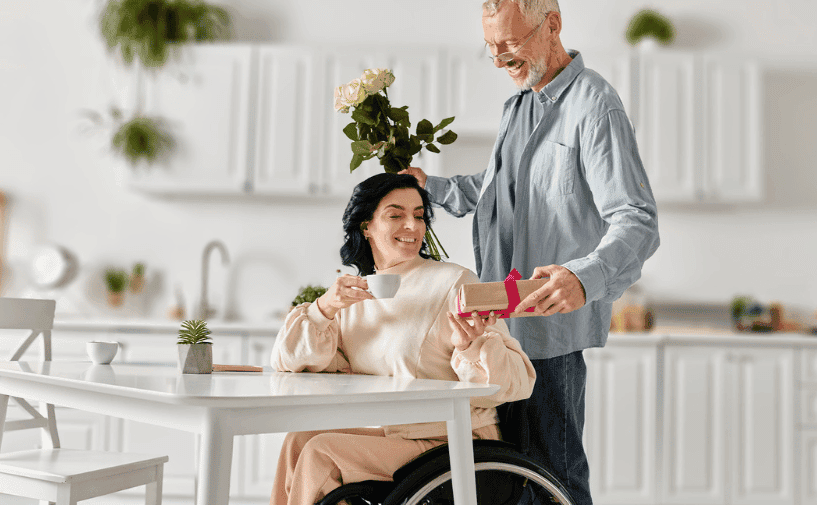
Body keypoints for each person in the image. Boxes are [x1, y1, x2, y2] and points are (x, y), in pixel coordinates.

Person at [400, 1, 661, 504]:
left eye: (510, 44)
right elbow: (492, 189)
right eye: (490, 48)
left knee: (555, 480)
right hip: (499, 332)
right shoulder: (518, 106)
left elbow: (637, 219)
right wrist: (429, 186)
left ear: (553, 25)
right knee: (511, 479)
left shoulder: (594, 105)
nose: (499, 59)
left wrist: (584, 277)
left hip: (549, 336)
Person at [269, 172, 537, 505]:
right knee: (300, 440)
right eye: (396, 215)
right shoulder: (353, 296)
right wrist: (323, 309)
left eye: (419, 216)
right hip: (394, 435)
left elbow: (514, 384)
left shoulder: (455, 283)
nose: (411, 225)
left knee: (321, 453)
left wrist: (472, 346)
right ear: (366, 226)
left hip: (452, 440)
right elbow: (289, 364)